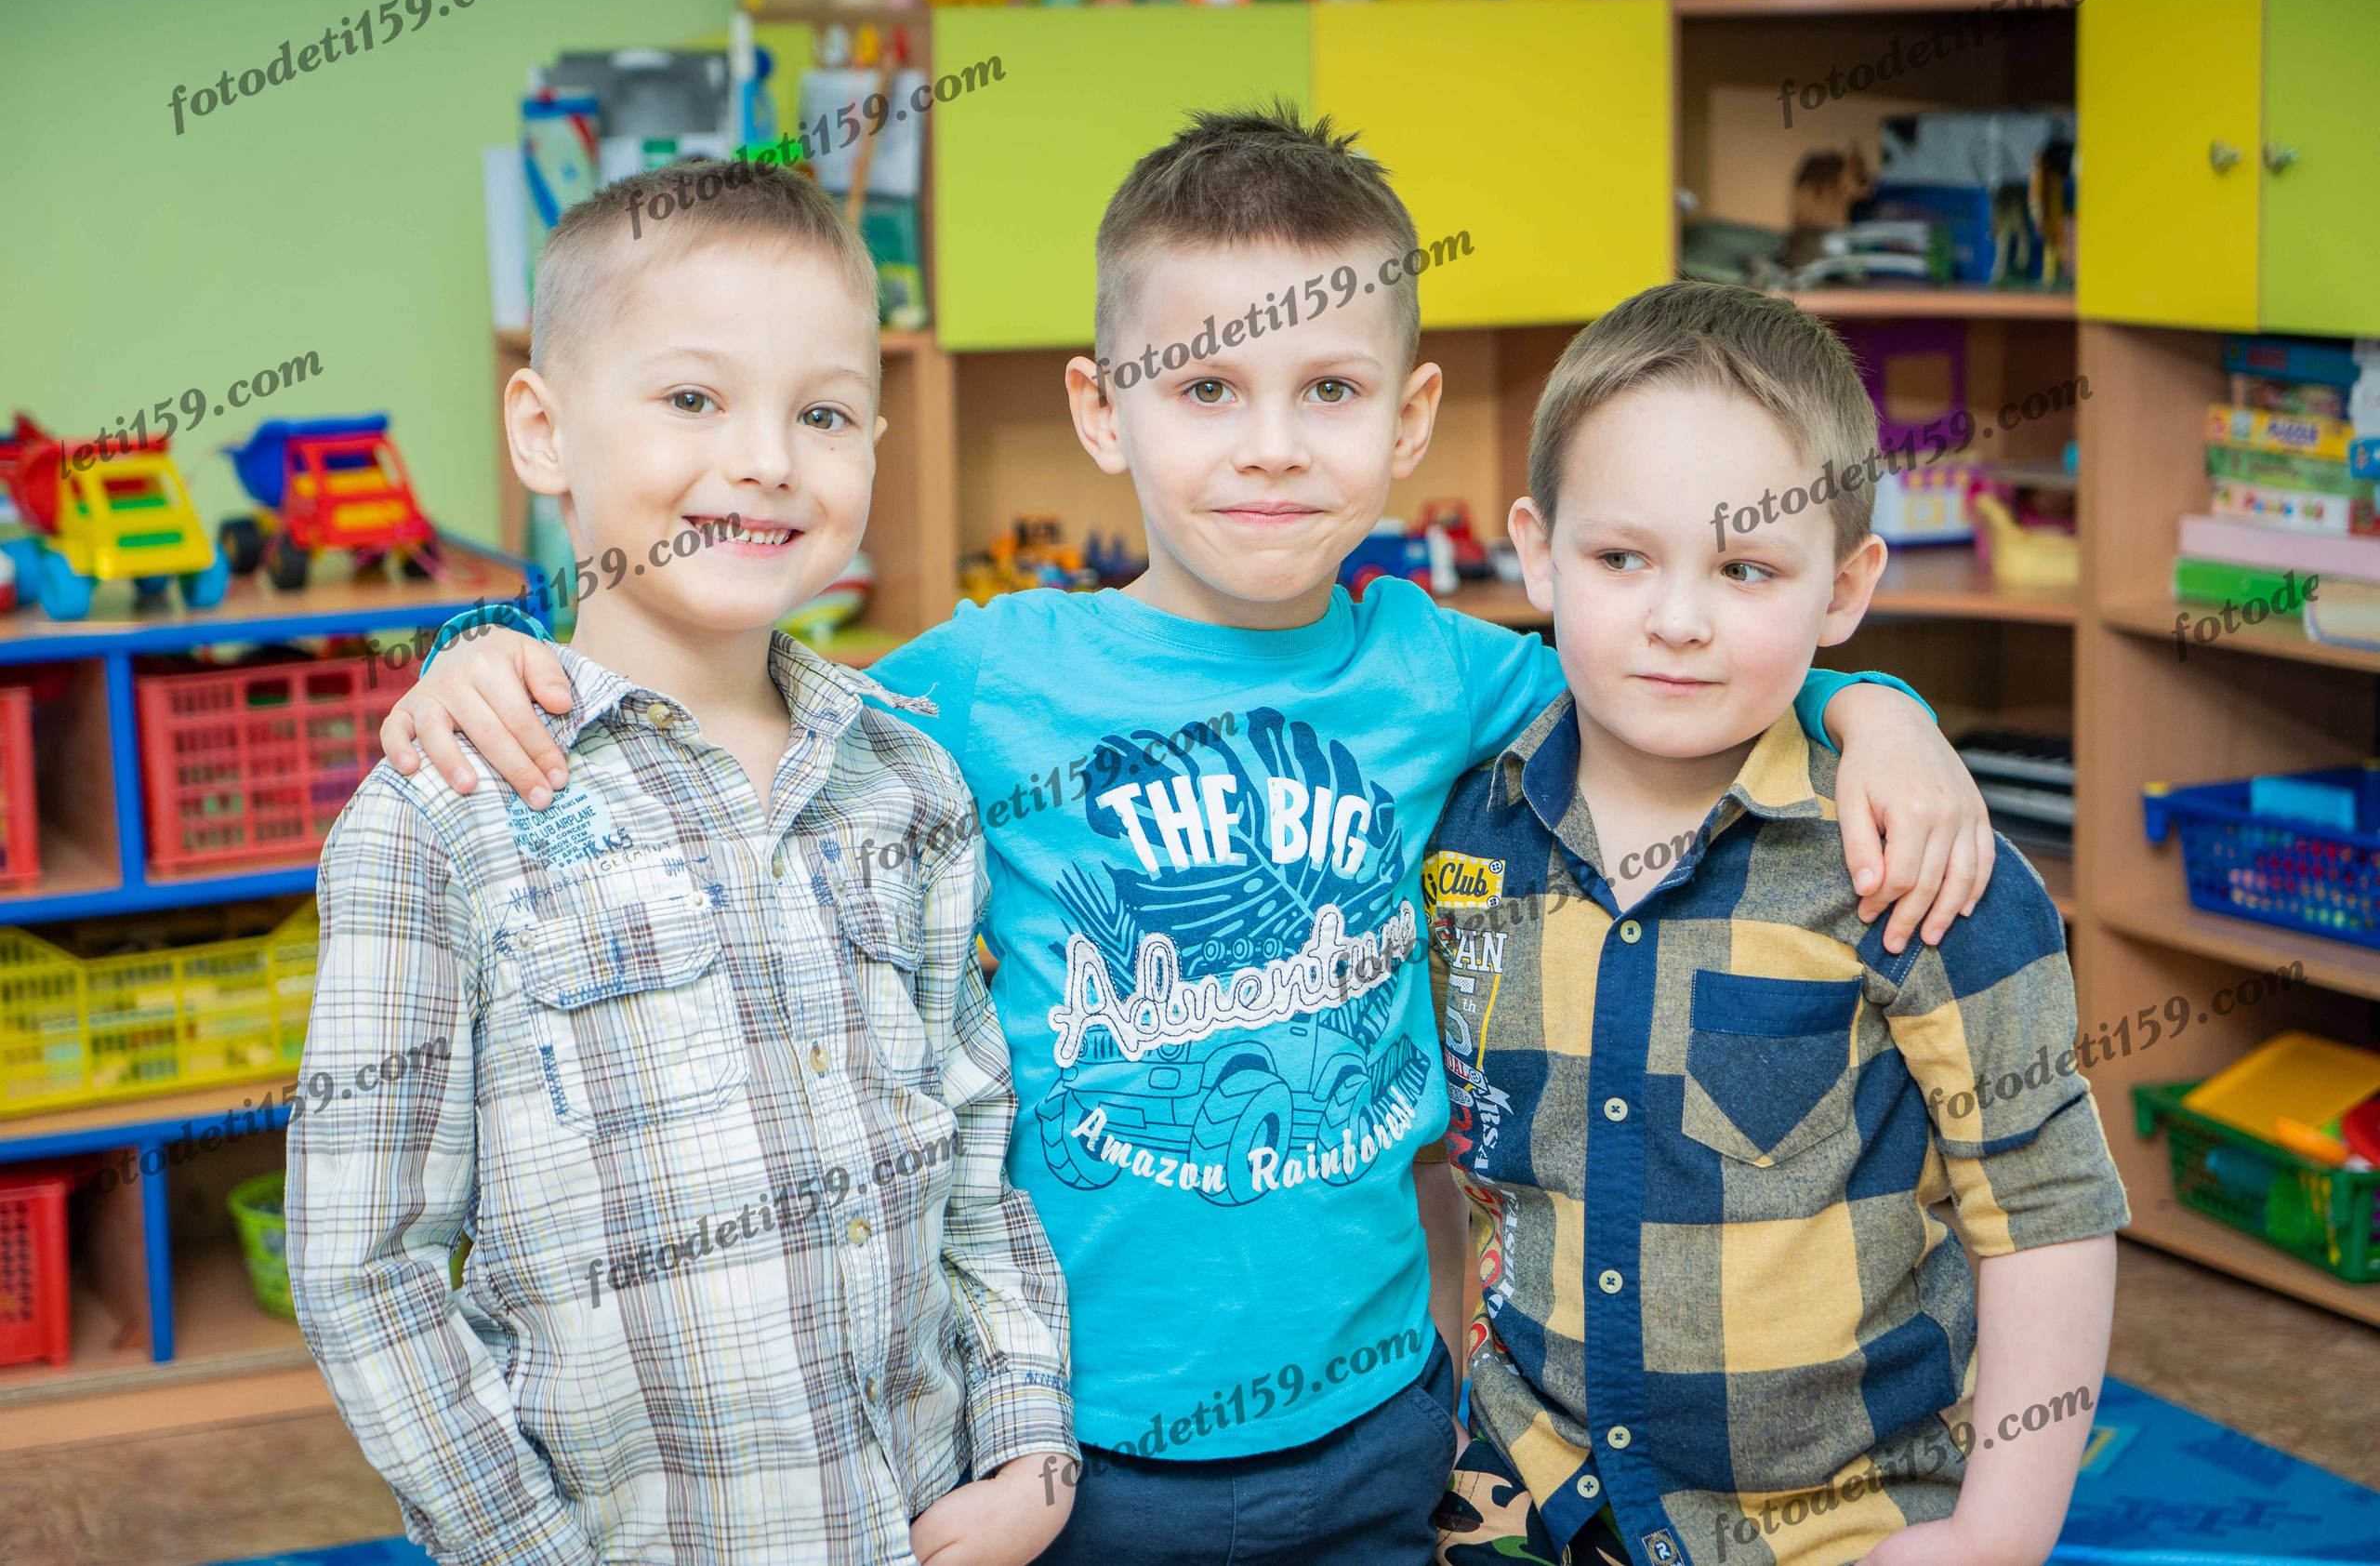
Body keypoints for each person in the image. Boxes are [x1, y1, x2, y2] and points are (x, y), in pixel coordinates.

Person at [379, 108, 1996, 1564]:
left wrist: (1880, 711)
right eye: (1207, 388)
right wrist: (493, 648)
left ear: (1412, 416)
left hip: (1387, 1426)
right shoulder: (977, 686)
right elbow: (722, 683)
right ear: (1101, 409)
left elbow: (1683, 680)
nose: (1273, 444)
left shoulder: (1439, 669)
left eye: (1331, 392)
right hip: (1074, 1451)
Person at [285, 158, 1076, 1566]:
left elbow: (975, 1162)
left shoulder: (913, 785)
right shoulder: (446, 805)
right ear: (542, 428)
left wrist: (1028, 1450)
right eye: (694, 399)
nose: (768, 458)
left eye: (823, 413)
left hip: (926, 1521)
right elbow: (368, 1269)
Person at [1422, 282, 2125, 1566]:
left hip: (1837, 1524)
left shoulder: (1919, 868)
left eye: (1746, 570)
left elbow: (2048, 1210)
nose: (1678, 619)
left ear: (1846, 587)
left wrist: (2000, 1537)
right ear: (1536, 551)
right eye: (1621, 558)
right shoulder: (1460, 837)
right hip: (1526, 1491)